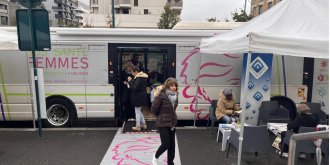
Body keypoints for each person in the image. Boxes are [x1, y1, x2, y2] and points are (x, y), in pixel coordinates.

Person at [151, 78, 178, 165]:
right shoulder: (161, 95)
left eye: (175, 86)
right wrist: (161, 116)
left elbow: (173, 109)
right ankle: (155, 156)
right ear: (167, 86)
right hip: (162, 122)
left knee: (172, 146)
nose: (174, 87)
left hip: (172, 122)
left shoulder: (175, 96)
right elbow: (154, 109)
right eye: (172, 85)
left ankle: (170, 163)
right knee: (166, 144)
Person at [127, 66, 149, 131]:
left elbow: (135, 88)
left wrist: (130, 81)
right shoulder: (142, 77)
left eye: (132, 72)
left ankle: (138, 126)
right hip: (142, 96)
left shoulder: (139, 78)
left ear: (136, 71)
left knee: (137, 112)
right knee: (139, 111)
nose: (132, 74)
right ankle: (143, 124)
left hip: (138, 97)